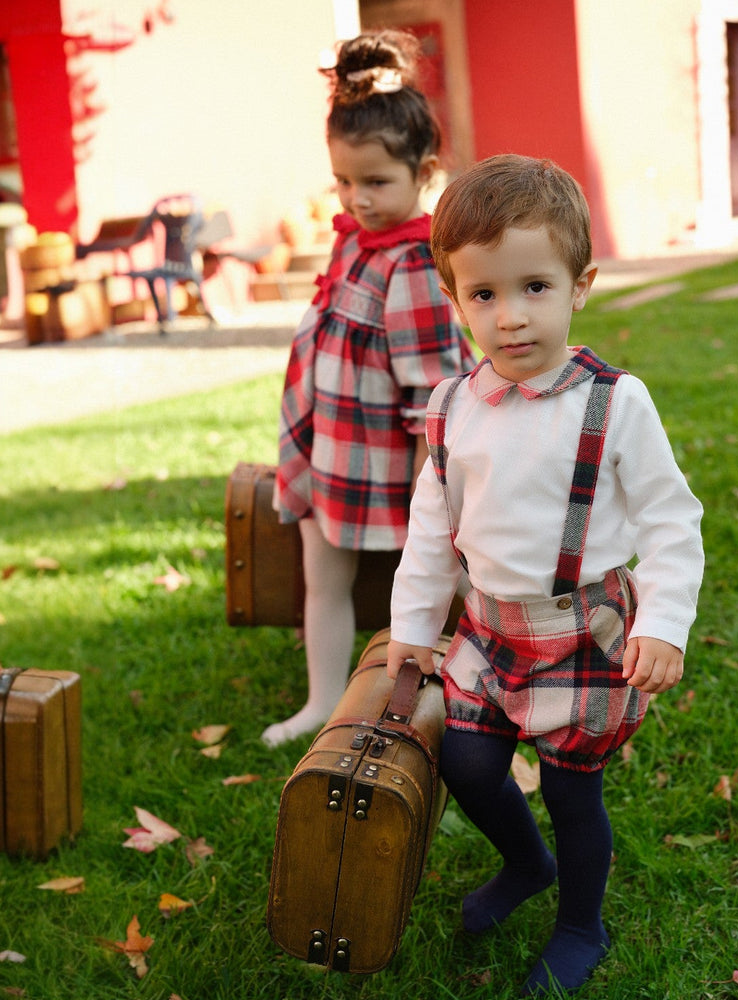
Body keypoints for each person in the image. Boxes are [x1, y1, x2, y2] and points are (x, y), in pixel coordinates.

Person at [386, 154, 705, 995]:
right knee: (467, 765)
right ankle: (527, 864)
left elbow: (672, 520)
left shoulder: (614, 402)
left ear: (580, 285)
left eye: (535, 287)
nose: (511, 317)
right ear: (454, 299)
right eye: (484, 295)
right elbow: (432, 530)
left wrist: (663, 623)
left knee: (571, 794)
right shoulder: (451, 407)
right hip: (489, 630)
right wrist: (413, 629)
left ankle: (579, 926)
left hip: (581, 630)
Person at [265, 30, 475, 747]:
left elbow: (432, 396)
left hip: (392, 464)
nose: (358, 199)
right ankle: (322, 701)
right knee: (321, 576)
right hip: (336, 451)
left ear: (425, 171)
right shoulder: (354, 237)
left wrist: (430, 497)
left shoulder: (413, 263)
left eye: (376, 182)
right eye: (344, 182)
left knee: (451, 580)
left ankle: (500, 686)